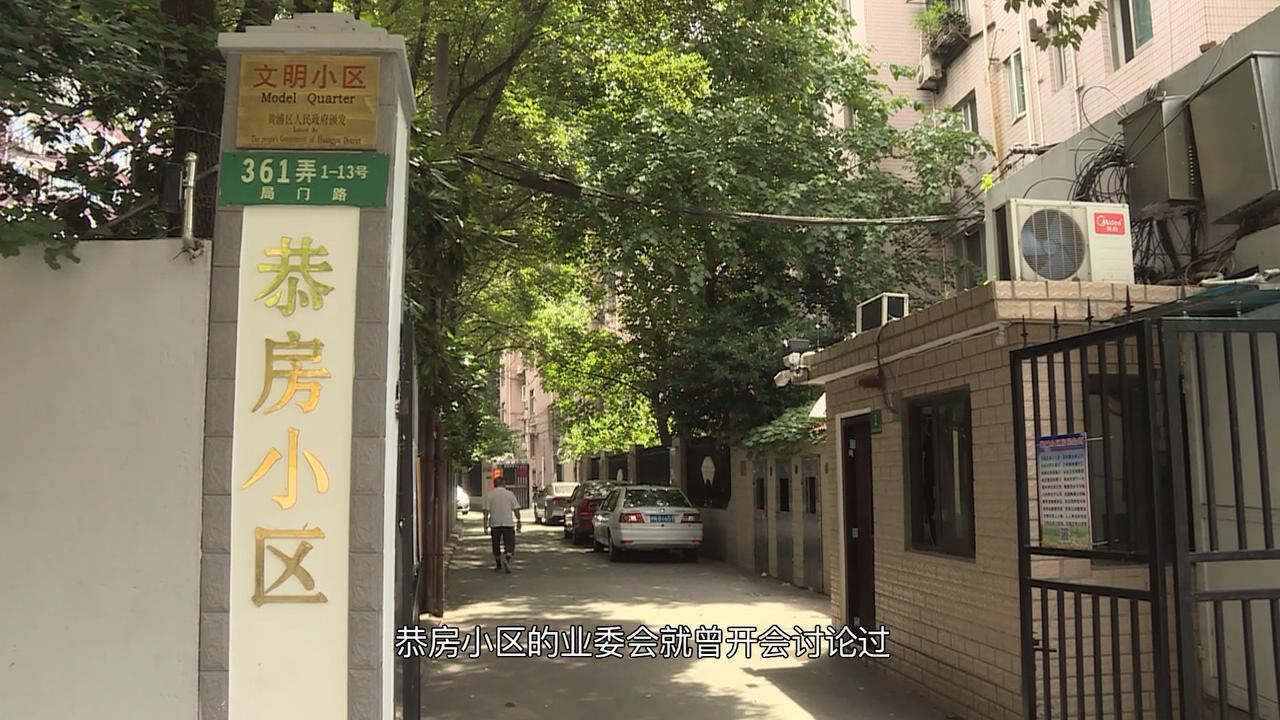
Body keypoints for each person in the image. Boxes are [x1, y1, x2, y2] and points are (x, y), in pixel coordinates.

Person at [483, 477, 522, 573]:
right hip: (508, 523)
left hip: (495, 523)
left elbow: (486, 512)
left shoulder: (490, 495)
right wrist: (519, 520)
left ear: (494, 484)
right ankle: (507, 559)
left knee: (495, 544)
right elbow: (516, 509)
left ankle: (498, 565)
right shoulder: (510, 494)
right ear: (504, 484)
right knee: (510, 544)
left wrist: (485, 525)